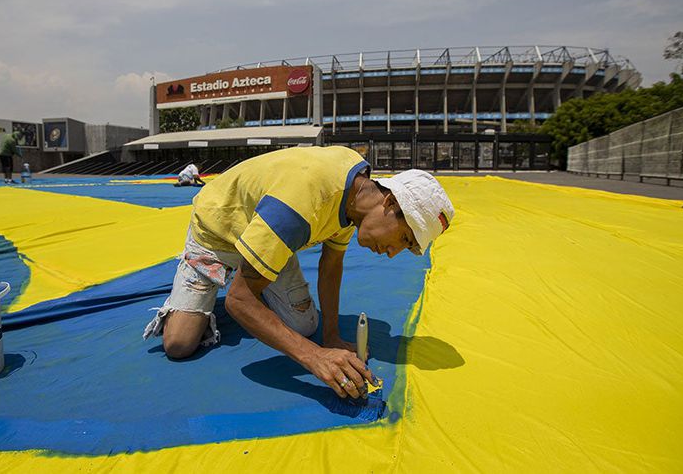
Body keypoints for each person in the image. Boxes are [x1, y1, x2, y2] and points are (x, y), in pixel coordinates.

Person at [143, 146, 454, 400]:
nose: (392, 253)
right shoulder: (304, 202)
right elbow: (237, 301)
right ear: (390, 202)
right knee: (180, 344)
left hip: (272, 235)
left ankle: (259, 265)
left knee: (305, 326)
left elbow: (331, 265)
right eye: (404, 238)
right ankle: (220, 272)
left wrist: (331, 336)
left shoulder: (357, 198)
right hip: (218, 231)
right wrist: (314, 357)